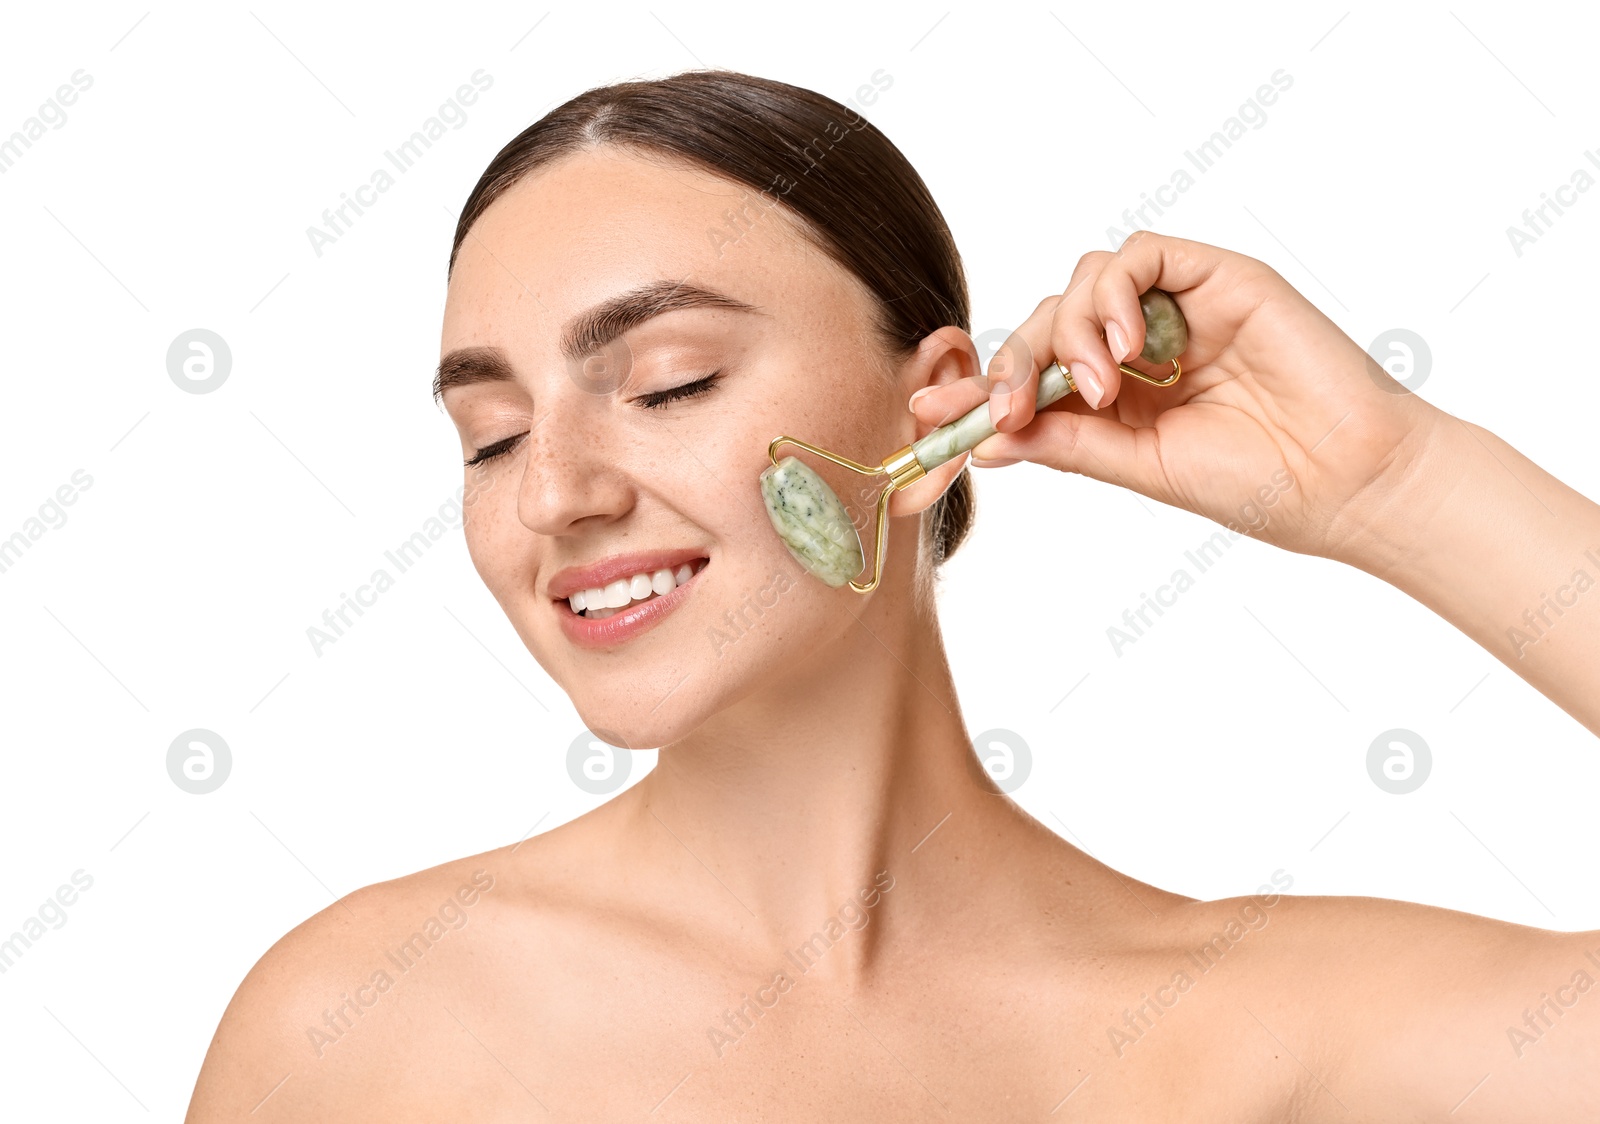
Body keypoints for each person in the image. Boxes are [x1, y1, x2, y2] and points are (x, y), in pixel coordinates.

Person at [185, 69, 1600, 1121]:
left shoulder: (1256, 1036)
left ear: (933, 418)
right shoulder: (361, 1034)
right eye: (490, 435)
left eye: (671, 382)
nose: (551, 492)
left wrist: (1390, 481)